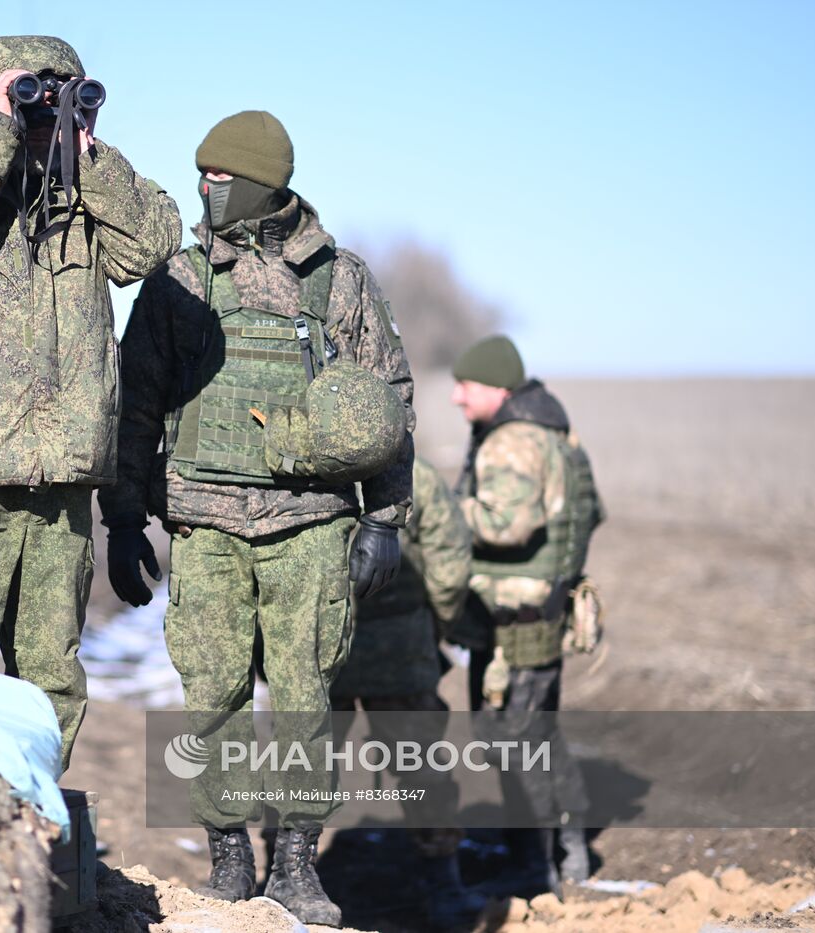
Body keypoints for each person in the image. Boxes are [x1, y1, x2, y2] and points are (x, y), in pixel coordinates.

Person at [100, 110, 414, 926]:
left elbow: (389, 402)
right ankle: (231, 861)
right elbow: (137, 401)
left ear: (258, 185)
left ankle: (297, 868)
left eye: (217, 177)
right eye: (199, 175)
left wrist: (385, 518)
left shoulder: (337, 278)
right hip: (203, 524)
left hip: (311, 526)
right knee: (214, 694)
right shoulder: (181, 278)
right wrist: (126, 515)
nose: (203, 189)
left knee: (306, 700)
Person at [0, 35, 180, 773]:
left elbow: (150, 247)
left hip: (60, 484)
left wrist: (88, 150)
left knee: (50, 680)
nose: (45, 107)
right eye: (29, 92)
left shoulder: (85, 204)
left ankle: (27, 825)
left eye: (63, 93)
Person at [447, 334, 603, 892]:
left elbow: (508, 524)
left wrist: (440, 512)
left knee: (519, 738)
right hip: (527, 613)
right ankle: (556, 851)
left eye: (464, 387)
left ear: (495, 386)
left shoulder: (513, 440)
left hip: (519, 618)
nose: (457, 398)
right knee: (524, 734)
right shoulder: (550, 429)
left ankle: (541, 871)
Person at [329, 455, 486, 927]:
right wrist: (430, 626)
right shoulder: (410, 471)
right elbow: (449, 563)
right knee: (420, 763)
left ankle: (286, 875)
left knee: (299, 757)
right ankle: (444, 885)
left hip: (315, 640)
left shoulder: (302, 463)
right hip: (401, 646)